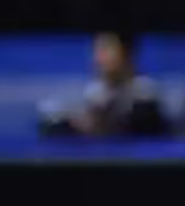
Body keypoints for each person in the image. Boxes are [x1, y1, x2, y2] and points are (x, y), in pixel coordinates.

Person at [39, 31, 170, 138]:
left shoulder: (145, 91)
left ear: (127, 52)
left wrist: (91, 125)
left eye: (106, 49)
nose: (99, 58)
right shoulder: (94, 91)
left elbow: (134, 128)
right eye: (96, 50)